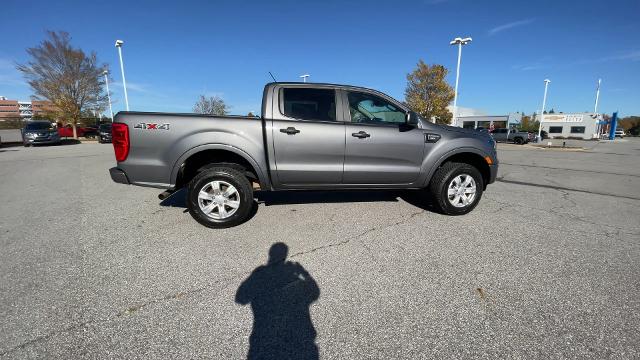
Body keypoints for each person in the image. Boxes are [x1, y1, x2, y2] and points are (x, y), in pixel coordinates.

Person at [236, 243, 320, 360]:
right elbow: (314, 294)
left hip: (263, 338)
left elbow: (240, 298)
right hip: (301, 338)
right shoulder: (263, 272)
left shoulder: (259, 272)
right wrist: (304, 273)